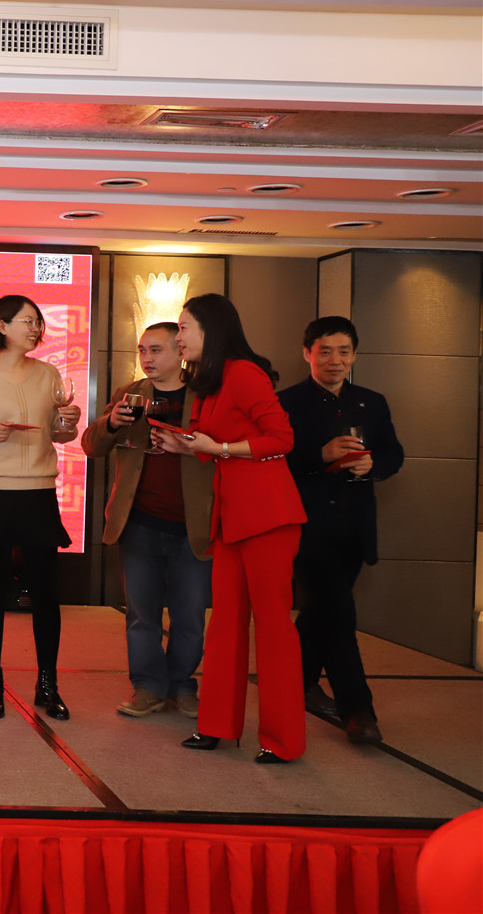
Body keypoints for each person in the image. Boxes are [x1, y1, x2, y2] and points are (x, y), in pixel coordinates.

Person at [152, 293, 307, 764]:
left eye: (184, 328)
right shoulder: (208, 380)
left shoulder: (244, 373)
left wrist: (217, 449)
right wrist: (185, 446)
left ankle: (283, 741)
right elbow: (212, 442)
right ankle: (216, 725)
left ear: (211, 330)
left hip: (268, 517)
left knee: (274, 629)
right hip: (230, 517)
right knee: (223, 625)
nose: (178, 337)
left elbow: (282, 439)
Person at [0, 295, 82, 721]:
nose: (36, 328)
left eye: (39, 322)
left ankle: (48, 684)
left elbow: (59, 436)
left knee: (46, 594)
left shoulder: (48, 375)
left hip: (39, 492)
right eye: (28, 321)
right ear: (2, 326)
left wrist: (67, 422)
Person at [278, 316, 403, 746]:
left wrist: (373, 465)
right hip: (307, 527)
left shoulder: (371, 402)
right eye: (325, 351)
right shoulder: (286, 402)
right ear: (307, 353)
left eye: (343, 352)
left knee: (321, 612)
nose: (335, 360)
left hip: (355, 526)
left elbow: (393, 453)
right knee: (339, 614)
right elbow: (273, 460)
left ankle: (297, 683)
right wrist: (320, 455)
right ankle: (358, 710)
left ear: (354, 355)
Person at [81, 322, 214, 719]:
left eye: (155, 350)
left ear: (180, 352)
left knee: (190, 615)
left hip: (193, 524)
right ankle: (148, 687)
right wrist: (111, 423)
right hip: (139, 522)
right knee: (142, 614)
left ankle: (181, 684)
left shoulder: (206, 397)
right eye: (142, 350)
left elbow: (225, 453)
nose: (146, 358)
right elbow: (91, 446)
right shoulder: (130, 394)